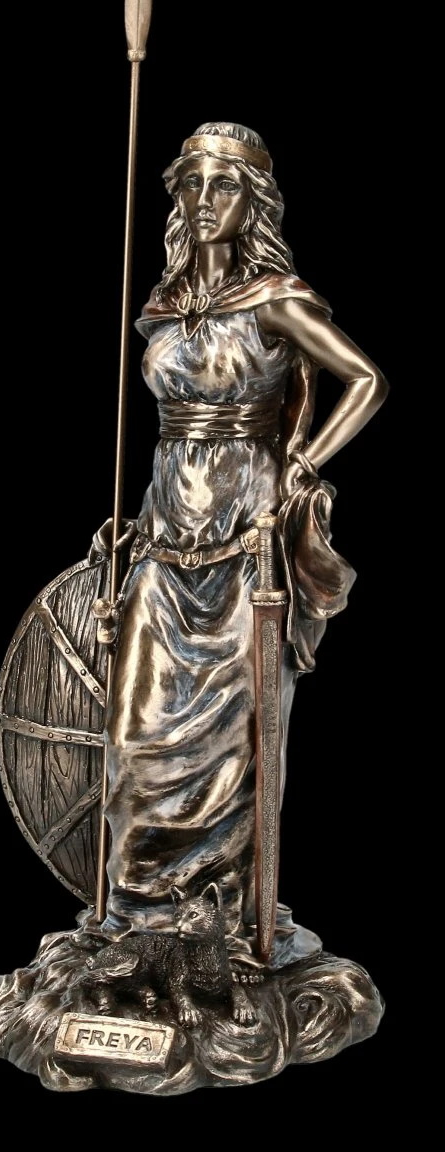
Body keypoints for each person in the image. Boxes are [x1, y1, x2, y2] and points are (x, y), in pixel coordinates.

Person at [100, 122, 388, 964]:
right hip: (163, 535)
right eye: (190, 185)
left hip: (243, 541)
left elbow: (365, 379)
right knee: (134, 735)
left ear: (252, 201)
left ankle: (217, 920)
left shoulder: (271, 299)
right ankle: (138, 915)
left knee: (237, 740)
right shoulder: (161, 305)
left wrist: (302, 461)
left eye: (222, 185)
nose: (202, 201)